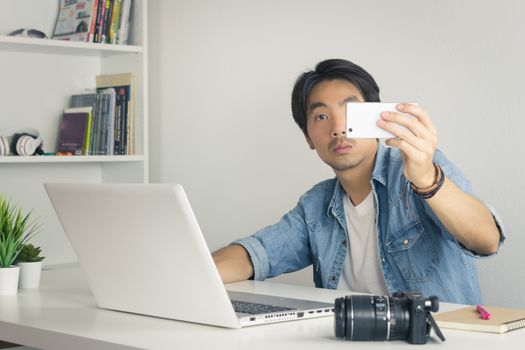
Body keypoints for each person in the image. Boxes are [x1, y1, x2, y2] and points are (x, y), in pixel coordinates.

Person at [212, 59, 504, 304]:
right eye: (322, 116)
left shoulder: (420, 168)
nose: (338, 129)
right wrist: (188, 274)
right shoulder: (316, 206)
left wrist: (427, 180)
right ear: (308, 138)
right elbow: (257, 254)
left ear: (377, 117)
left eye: (351, 113)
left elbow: (487, 241)